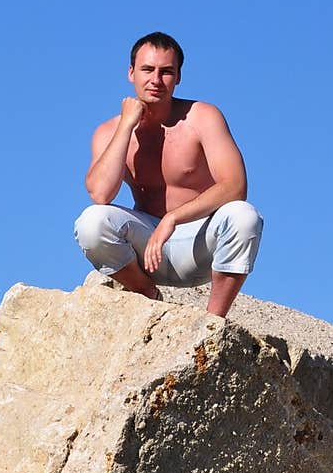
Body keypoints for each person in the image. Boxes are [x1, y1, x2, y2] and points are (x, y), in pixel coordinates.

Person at [74, 32, 263, 318]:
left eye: (166, 72)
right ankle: (146, 293)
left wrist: (173, 219)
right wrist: (127, 125)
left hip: (200, 242)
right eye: (147, 70)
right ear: (131, 73)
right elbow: (100, 193)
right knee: (91, 222)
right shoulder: (108, 131)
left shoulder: (201, 117)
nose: (156, 80)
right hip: (149, 248)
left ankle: (213, 322)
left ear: (178, 77)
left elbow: (235, 186)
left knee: (243, 215)